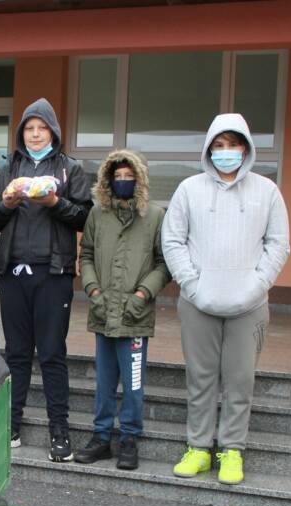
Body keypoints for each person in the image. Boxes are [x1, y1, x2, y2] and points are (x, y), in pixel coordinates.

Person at [162, 113, 290, 485]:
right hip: (198, 301)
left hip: (249, 305)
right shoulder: (189, 189)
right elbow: (173, 240)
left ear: (246, 149)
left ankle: (232, 450)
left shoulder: (267, 191)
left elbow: (278, 244)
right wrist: (192, 284)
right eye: (218, 146)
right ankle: (199, 448)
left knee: (240, 379)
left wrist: (257, 285)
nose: (226, 152)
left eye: (233, 145)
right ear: (208, 149)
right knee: (200, 378)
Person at [0, 97, 92, 462]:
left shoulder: (69, 169)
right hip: (13, 272)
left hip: (54, 273)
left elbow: (83, 218)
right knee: (16, 353)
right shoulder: (8, 167)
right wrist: (8, 202)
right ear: (21, 134)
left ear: (53, 132)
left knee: (51, 354)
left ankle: (59, 432)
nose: (34, 134)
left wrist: (54, 203)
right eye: (29, 129)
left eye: (41, 128)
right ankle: (11, 425)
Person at [74, 150, 170, 470]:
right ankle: (101, 436)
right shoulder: (97, 214)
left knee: (133, 381)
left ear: (139, 179)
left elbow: (163, 262)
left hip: (135, 314)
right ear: (108, 180)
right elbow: (86, 254)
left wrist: (143, 293)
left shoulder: (154, 216)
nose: (123, 182)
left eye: (130, 177)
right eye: (118, 177)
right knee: (104, 381)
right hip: (103, 311)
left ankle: (129, 437)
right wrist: (93, 289)